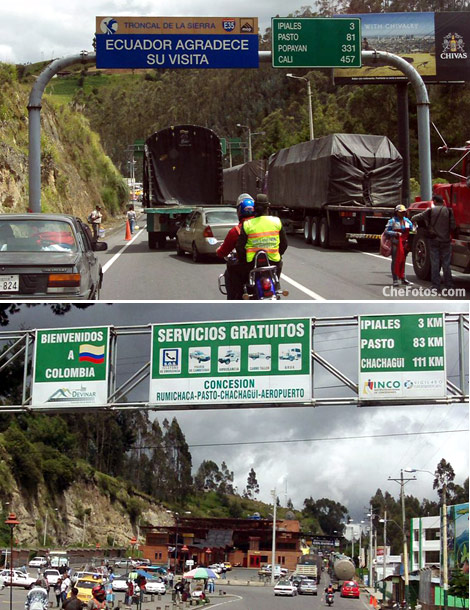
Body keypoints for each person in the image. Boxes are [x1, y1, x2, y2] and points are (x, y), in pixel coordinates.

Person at [235, 193, 288, 295]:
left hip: (251, 264)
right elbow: (284, 244)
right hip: (273, 262)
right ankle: (276, 285)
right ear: (267, 208)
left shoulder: (247, 224)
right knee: (280, 263)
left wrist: (243, 260)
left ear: (254, 209)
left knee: (242, 281)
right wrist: (278, 254)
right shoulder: (276, 221)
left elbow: (239, 247)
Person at [413, 193, 456, 293]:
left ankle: (436, 286)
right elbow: (453, 226)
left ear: (435, 201)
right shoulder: (449, 211)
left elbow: (416, 217)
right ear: (443, 202)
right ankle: (449, 285)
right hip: (446, 241)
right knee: (446, 264)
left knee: (435, 263)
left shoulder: (430, 210)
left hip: (434, 241)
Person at [216, 193, 255, 300]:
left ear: (239, 212)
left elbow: (222, 252)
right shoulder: (263, 226)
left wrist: (219, 250)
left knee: (229, 270)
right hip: (268, 261)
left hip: (246, 265)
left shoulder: (236, 230)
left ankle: (235, 297)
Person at [384, 204, 415, 287]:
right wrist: (396, 233)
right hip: (396, 243)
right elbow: (386, 231)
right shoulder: (392, 221)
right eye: (401, 212)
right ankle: (395, 279)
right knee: (395, 261)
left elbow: (412, 230)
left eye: (404, 212)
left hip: (405, 244)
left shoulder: (407, 221)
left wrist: (414, 231)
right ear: (396, 212)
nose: (403, 214)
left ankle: (403, 278)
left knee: (403, 261)